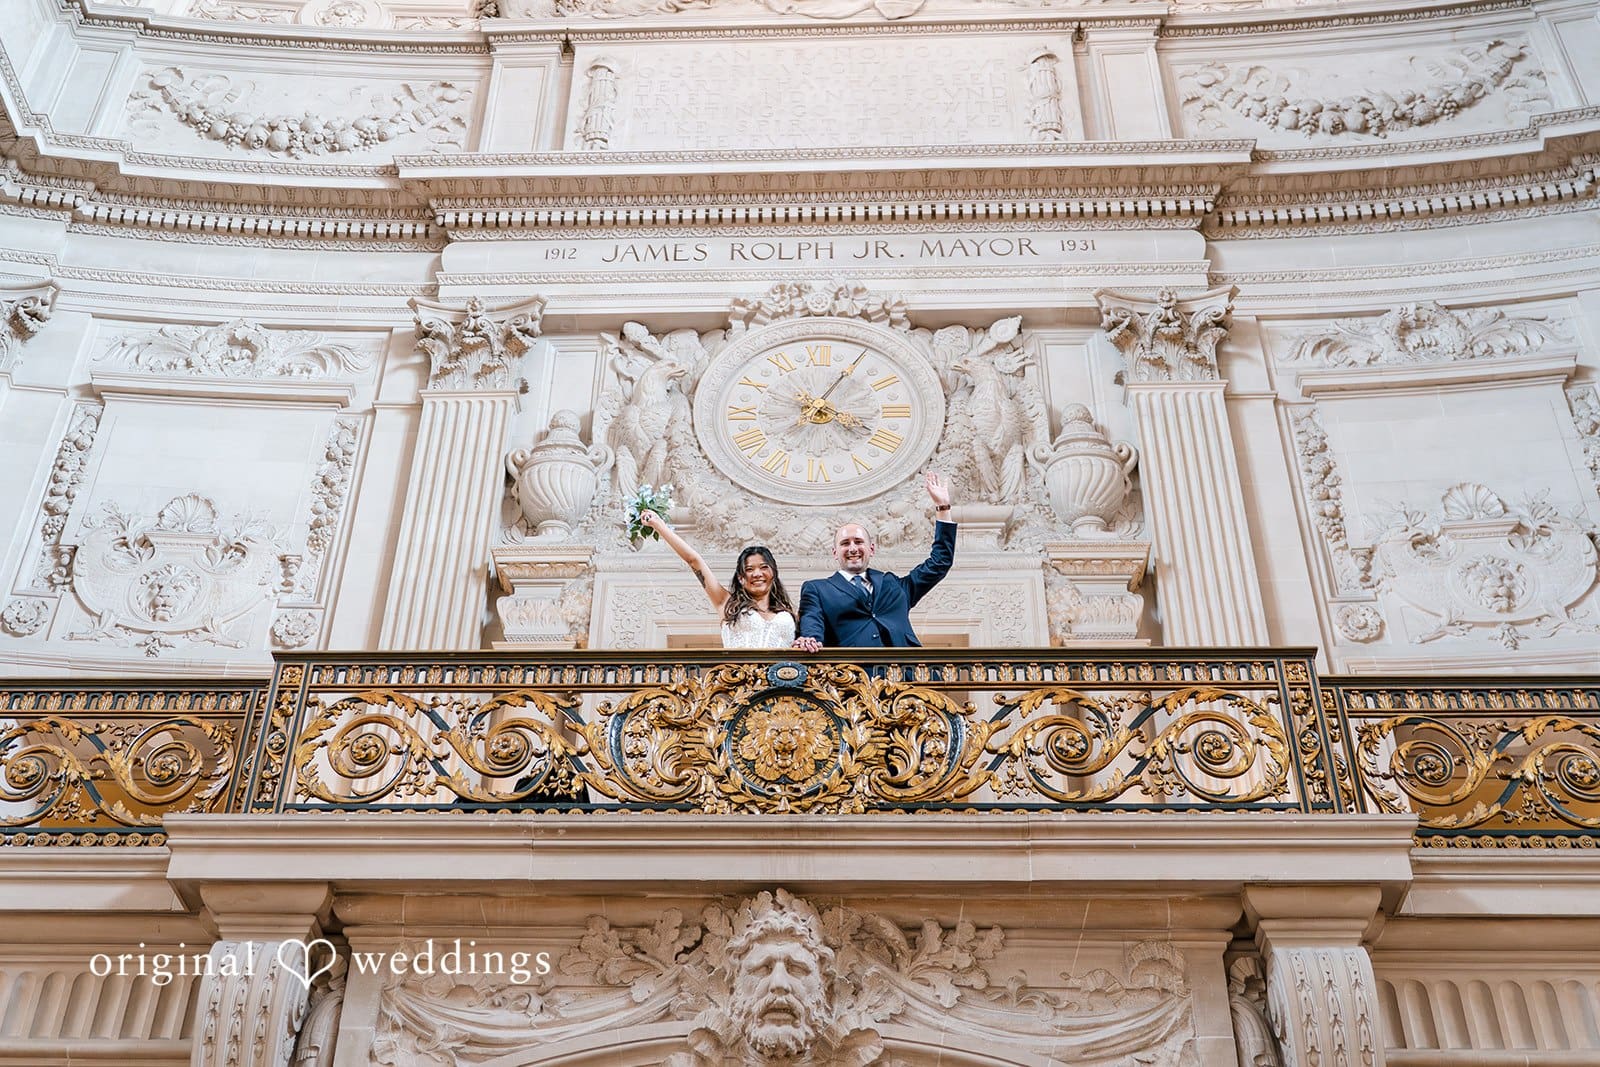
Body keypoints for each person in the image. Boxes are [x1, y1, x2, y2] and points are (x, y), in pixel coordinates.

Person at [792, 471, 955, 651]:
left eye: (859, 542)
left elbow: (940, 562)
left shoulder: (894, 585)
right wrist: (809, 639)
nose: (853, 548)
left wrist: (943, 507)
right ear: (835, 553)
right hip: (852, 674)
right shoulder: (817, 589)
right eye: (845, 543)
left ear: (871, 549)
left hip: (904, 672)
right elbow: (811, 623)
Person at [639, 510, 798, 649]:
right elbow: (694, 560)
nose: (757, 574)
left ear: (773, 573)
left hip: (782, 681)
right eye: (749, 569)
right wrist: (659, 525)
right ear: (741, 578)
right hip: (739, 679)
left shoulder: (789, 613)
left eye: (763, 567)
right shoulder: (727, 603)